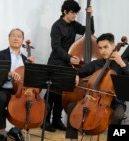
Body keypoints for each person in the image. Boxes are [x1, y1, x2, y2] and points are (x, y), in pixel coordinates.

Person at [42, 0, 94, 132]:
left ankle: (56, 120)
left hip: (68, 65)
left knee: (62, 94)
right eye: (72, 13)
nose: (74, 15)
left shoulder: (74, 25)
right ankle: (45, 120)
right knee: (52, 93)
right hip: (56, 62)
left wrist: (91, 16)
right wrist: (70, 58)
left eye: (76, 13)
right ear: (65, 11)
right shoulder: (57, 26)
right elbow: (56, 47)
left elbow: (90, 32)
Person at [65, 33, 128, 141]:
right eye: (100, 48)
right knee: (71, 106)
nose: (103, 51)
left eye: (105, 47)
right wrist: (76, 75)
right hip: (95, 100)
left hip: (115, 101)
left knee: (118, 115)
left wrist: (122, 63)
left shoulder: (123, 63)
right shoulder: (97, 64)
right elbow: (80, 71)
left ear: (113, 47)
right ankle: (72, 139)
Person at [0, 28, 35, 141]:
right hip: (3, 89)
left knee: (32, 101)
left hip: (19, 92)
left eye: (19, 36)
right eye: (13, 36)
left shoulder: (26, 59)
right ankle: (3, 133)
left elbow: (31, 80)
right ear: (9, 39)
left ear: (22, 40)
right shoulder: (0, 55)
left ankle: (16, 130)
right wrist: (9, 74)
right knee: (0, 97)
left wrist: (33, 67)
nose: (16, 38)